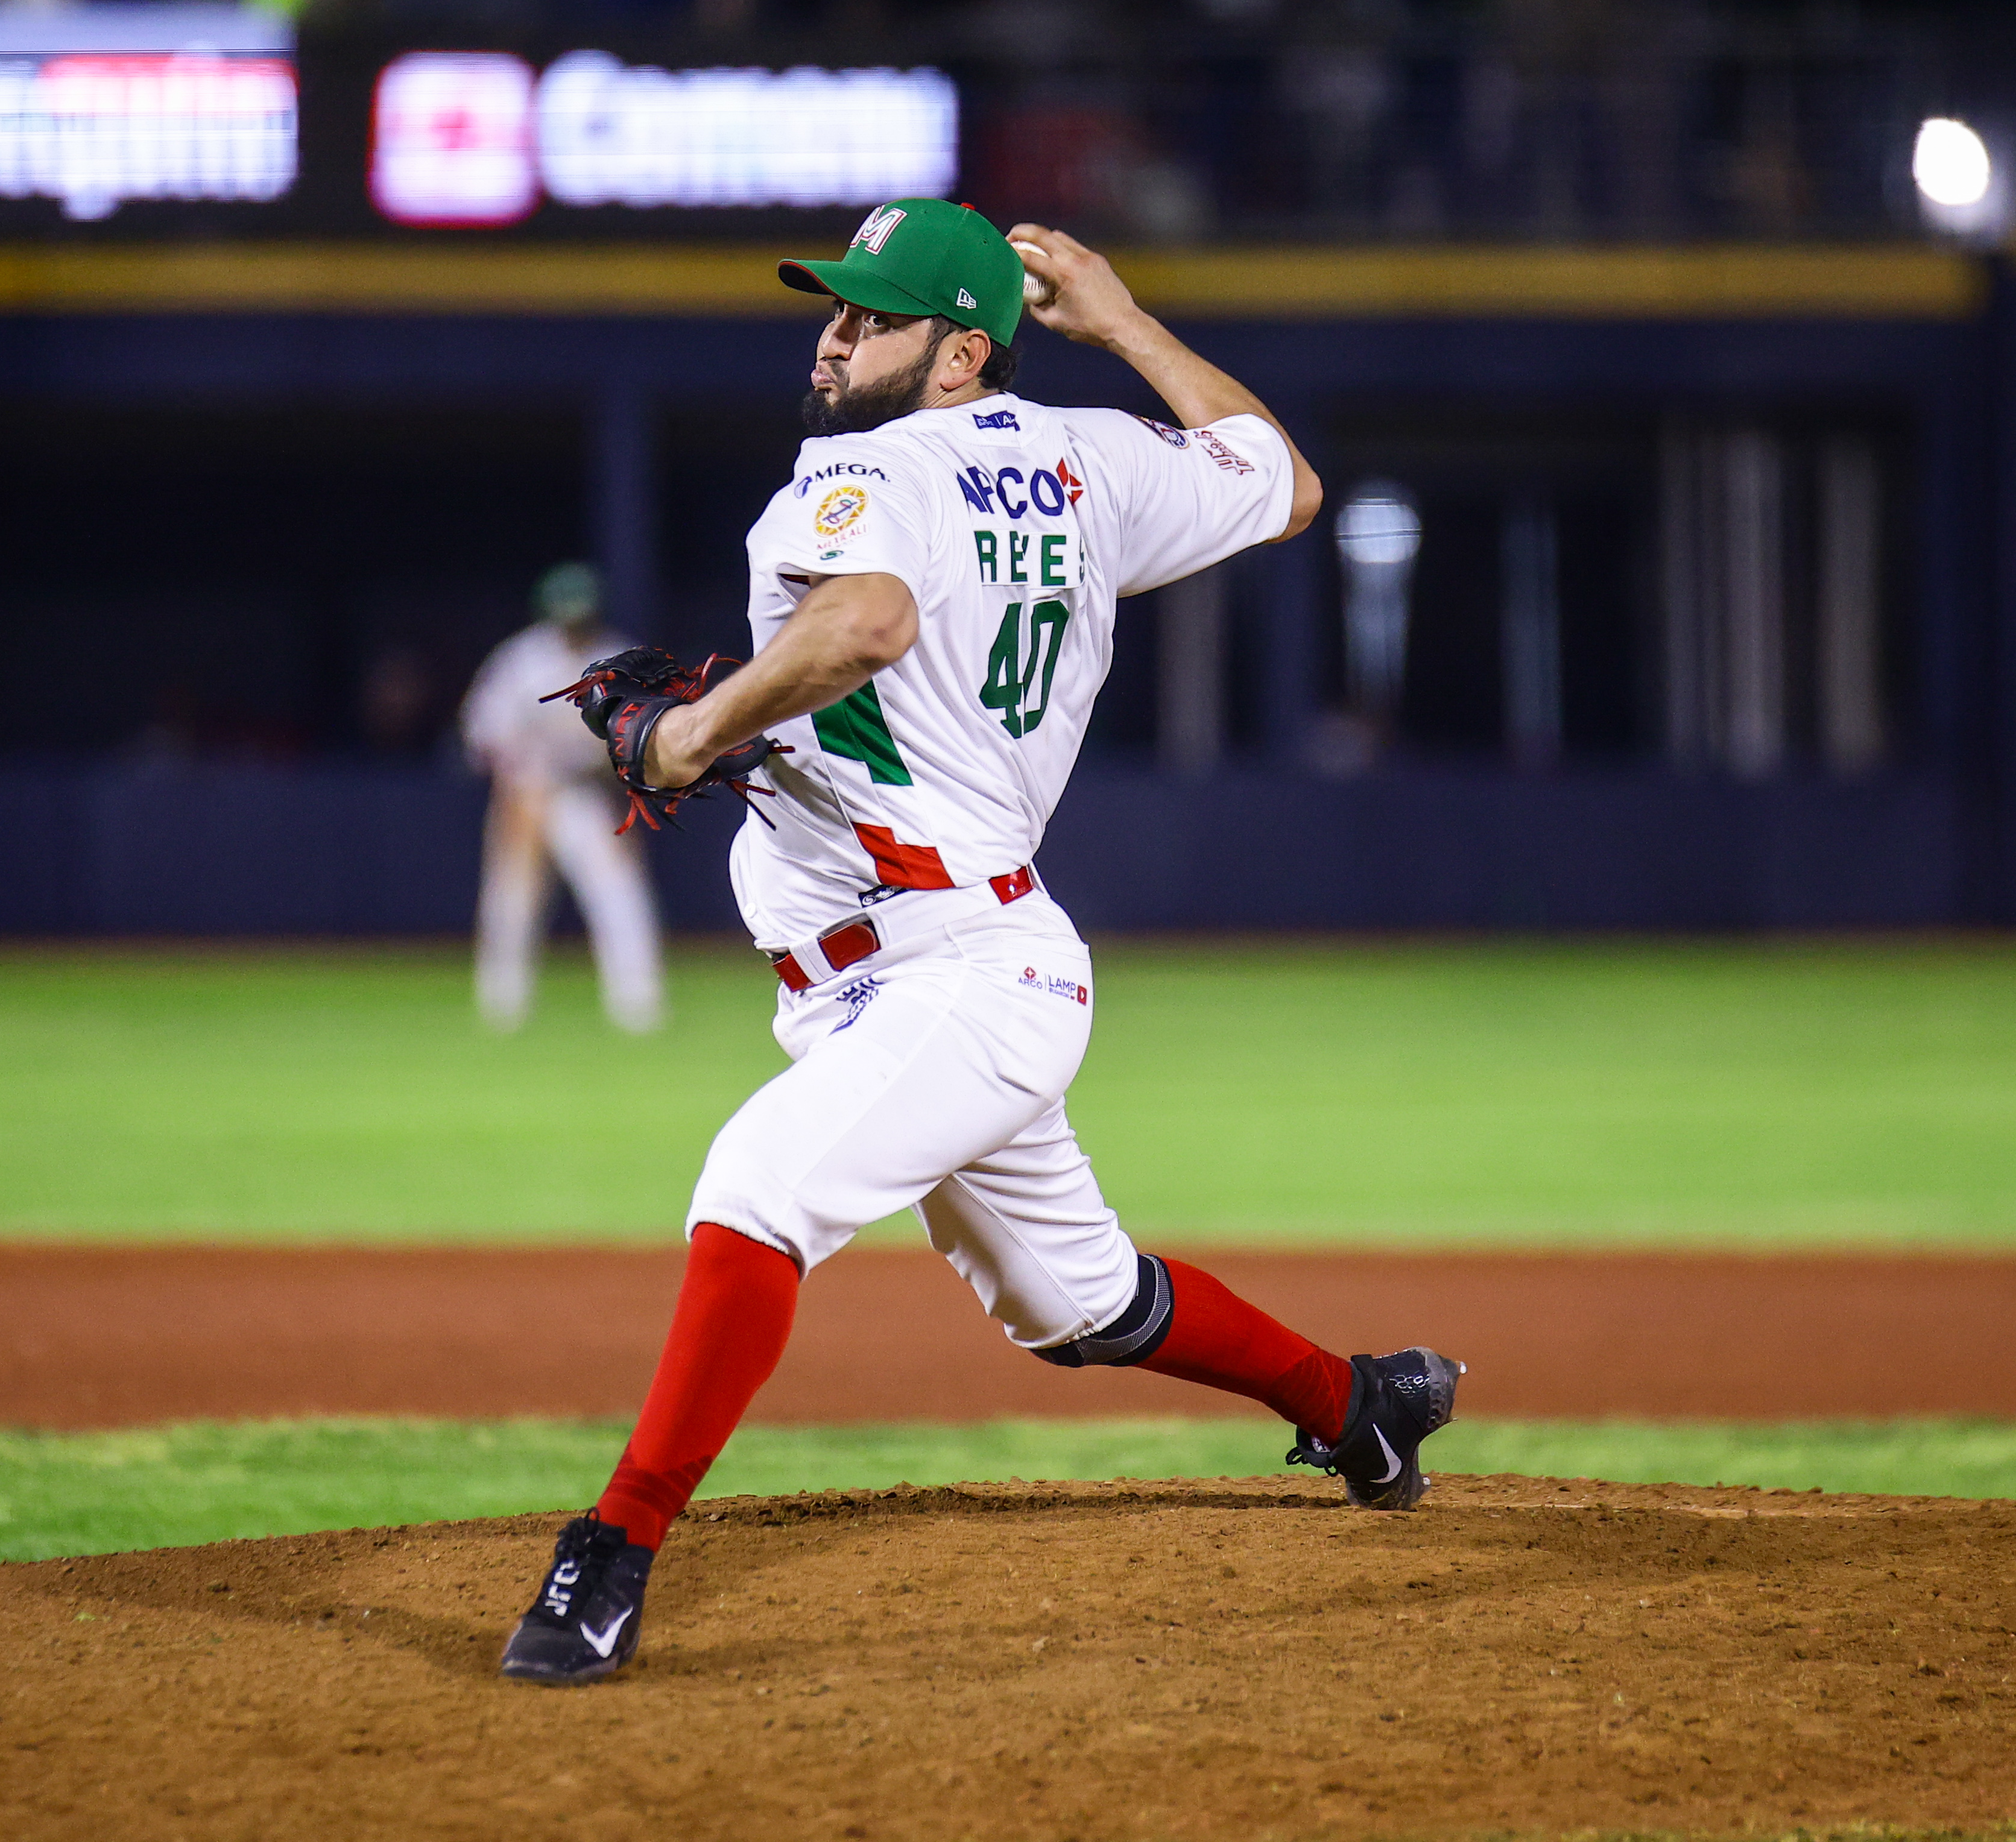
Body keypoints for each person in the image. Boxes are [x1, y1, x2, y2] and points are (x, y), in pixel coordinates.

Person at [501, 201, 1462, 1686]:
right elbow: (1281, 482)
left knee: (755, 1186)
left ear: (956, 357)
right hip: (957, 963)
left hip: (947, 971)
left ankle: (610, 1554)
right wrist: (1126, 323)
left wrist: (693, 728)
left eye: (870, 316)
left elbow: (872, 619)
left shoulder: (857, 464)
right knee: (1074, 1304)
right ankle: (1357, 1405)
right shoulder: (1087, 459)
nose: (831, 334)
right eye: (830, 307)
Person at [458, 563, 665, 1034]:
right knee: (512, 899)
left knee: (618, 894)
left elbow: (644, 739)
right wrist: (516, 794)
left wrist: (623, 789)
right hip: (529, 788)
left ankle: (639, 1006)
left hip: (590, 793)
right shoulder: (522, 659)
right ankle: (502, 1007)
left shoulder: (620, 657)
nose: (574, 624)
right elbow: (482, 734)